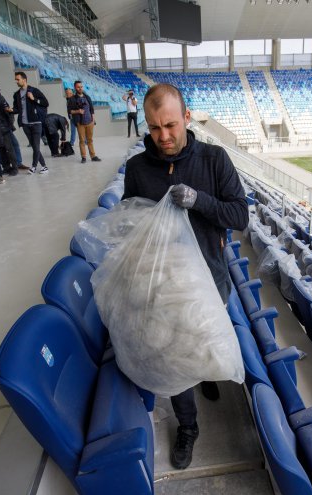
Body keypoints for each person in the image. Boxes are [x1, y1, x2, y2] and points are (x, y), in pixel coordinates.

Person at [122, 83, 248, 470]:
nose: (164, 136)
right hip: (163, 289)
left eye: (171, 125)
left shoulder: (214, 160)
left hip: (210, 282)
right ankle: (189, 427)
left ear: (187, 117)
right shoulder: (139, 168)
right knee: (174, 361)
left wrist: (198, 200)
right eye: (155, 127)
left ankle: (206, 374)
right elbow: (130, 223)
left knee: (204, 348)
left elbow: (239, 217)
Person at [12, 72, 48, 174]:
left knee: (36, 146)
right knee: (34, 146)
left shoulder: (34, 91)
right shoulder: (17, 94)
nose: (16, 81)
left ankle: (33, 166)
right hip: (25, 124)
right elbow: (17, 109)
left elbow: (46, 103)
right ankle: (44, 166)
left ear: (24, 80)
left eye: (18, 79)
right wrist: (10, 110)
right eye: (16, 79)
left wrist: (34, 99)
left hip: (36, 123)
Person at [67, 80, 101, 164]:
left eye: (81, 87)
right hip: (80, 123)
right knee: (82, 140)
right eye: (78, 87)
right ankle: (84, 157)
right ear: (75, 88)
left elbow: (91, 109)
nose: (80, 88)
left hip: (90, 122)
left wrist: (93, 120)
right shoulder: (72, 99)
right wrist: (78, 111)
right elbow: (70, 111)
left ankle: (93, 156)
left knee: (90, 140)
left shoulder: (87, 97)